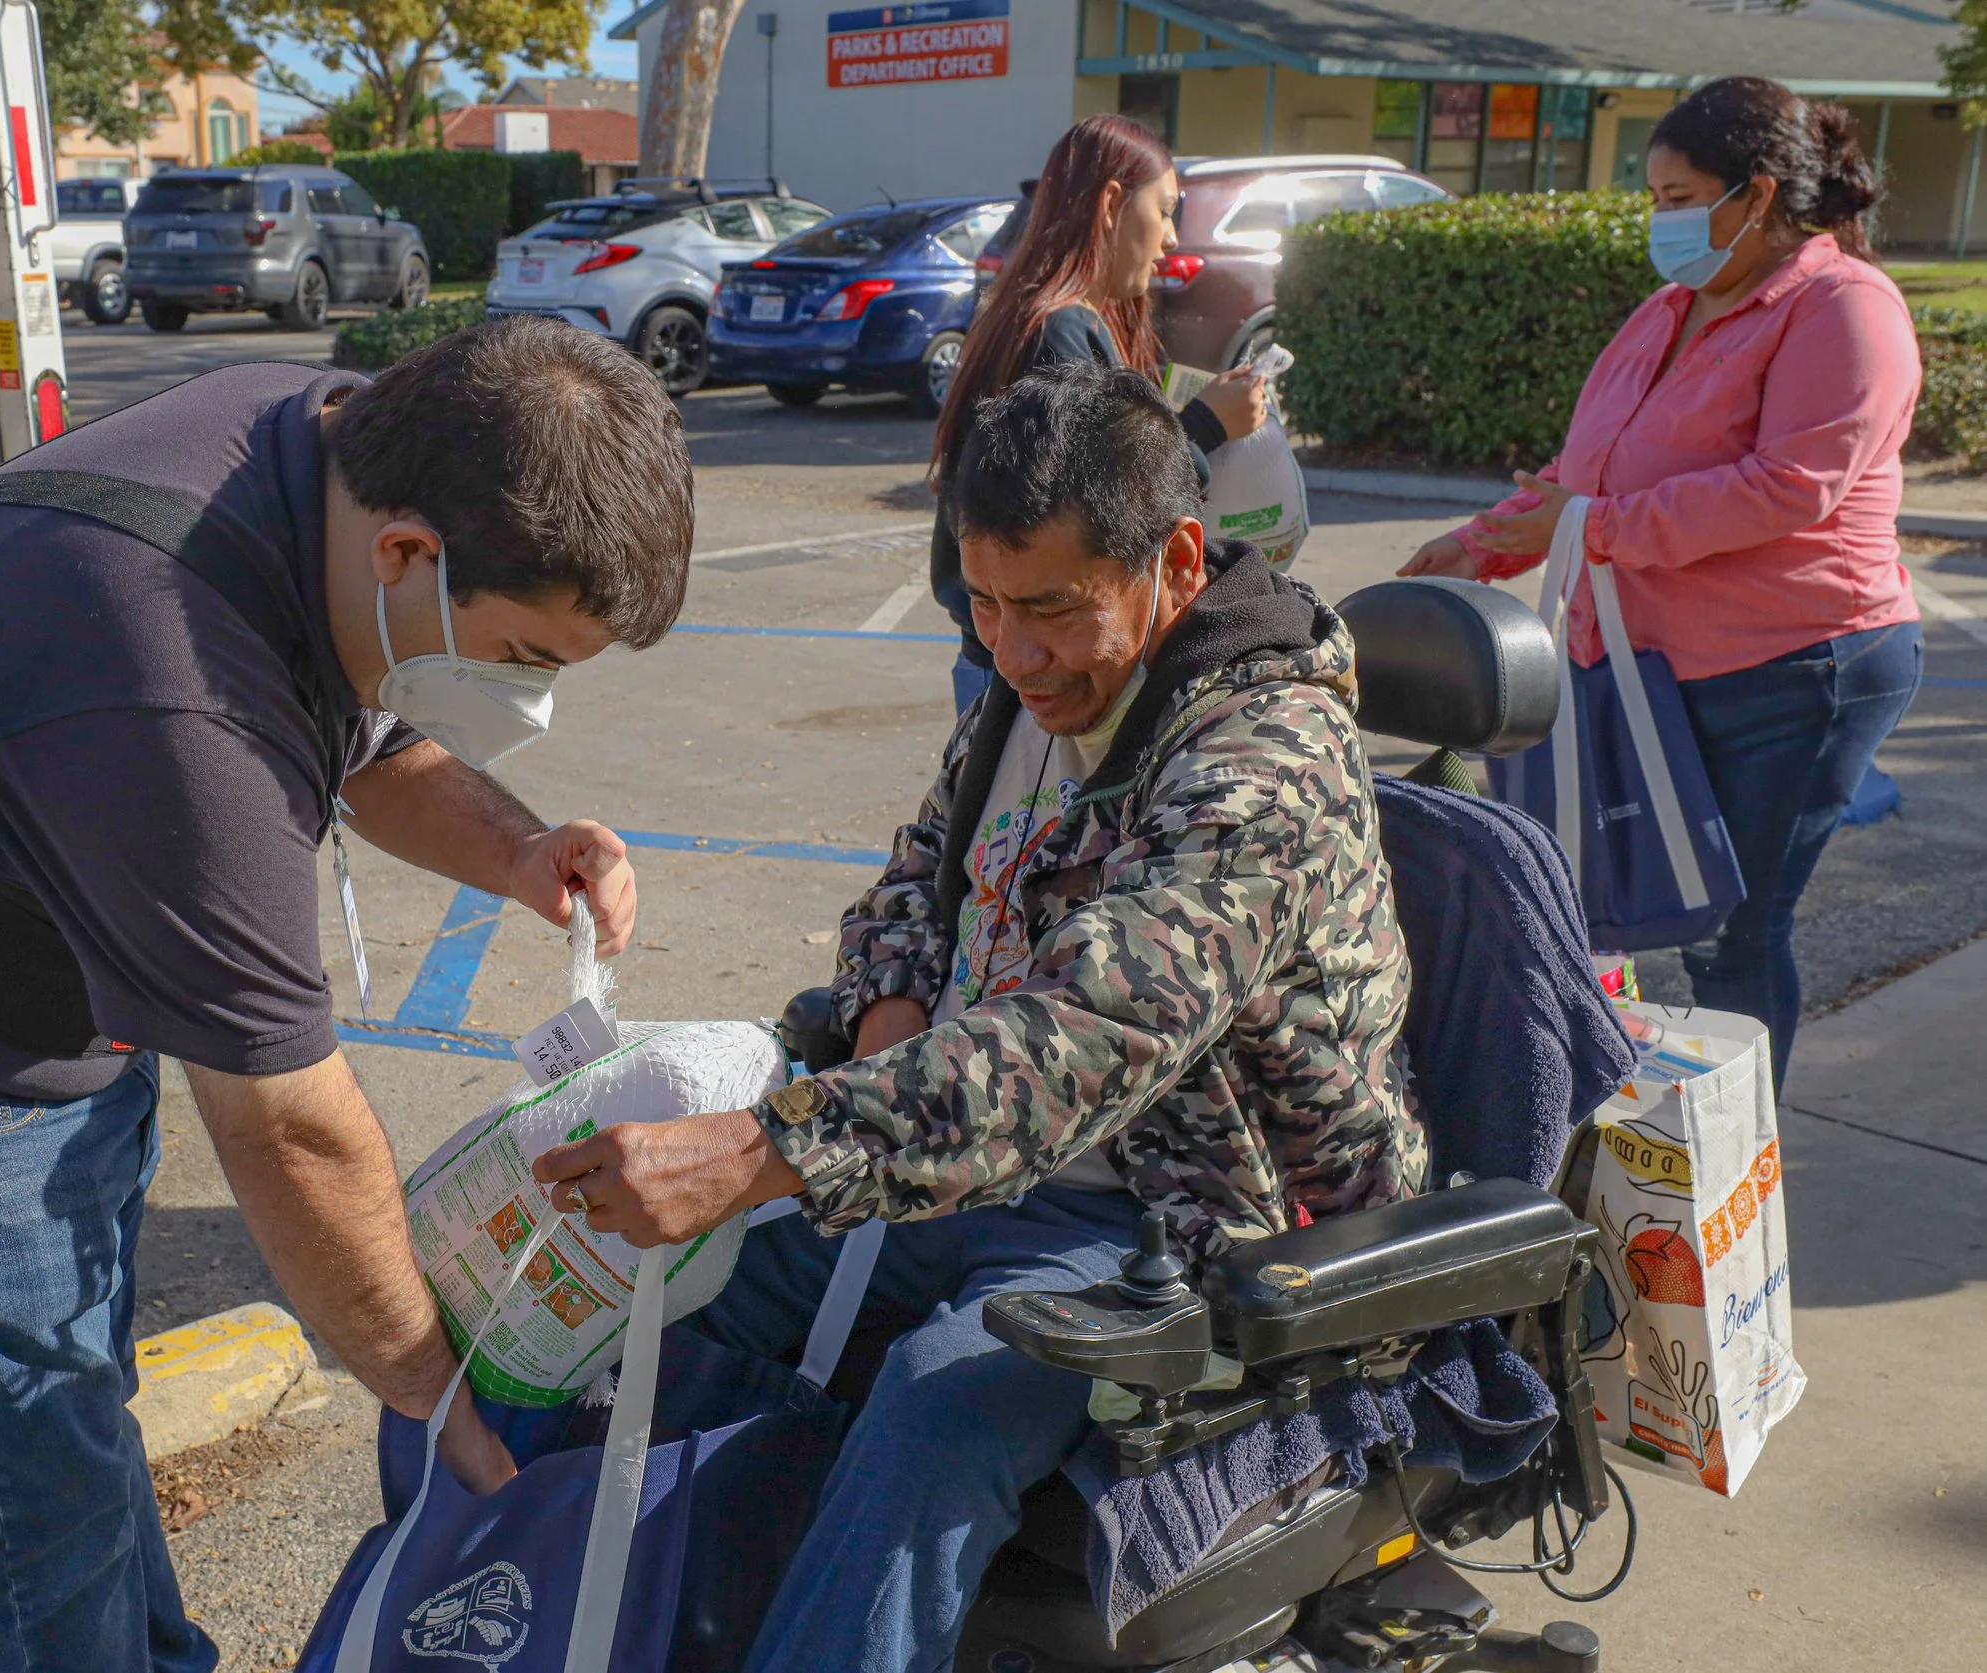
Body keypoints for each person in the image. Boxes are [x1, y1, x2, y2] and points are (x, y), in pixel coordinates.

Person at [0, 319, 692, 1673]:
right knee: (30, 1521)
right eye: (526, 660)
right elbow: (293, 1130)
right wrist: (443, 1412)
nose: (529, 700)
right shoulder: (169, 698)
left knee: (73, 1431)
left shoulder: (330, 450)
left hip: (26, 980)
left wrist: (511, 846)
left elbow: (364, 721)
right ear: (410, 557)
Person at [533, 361, 1428, 1673]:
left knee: (933, 1414)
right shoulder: (1035, 693)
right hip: (959, 1162)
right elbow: (912, 889)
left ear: (1177, 559)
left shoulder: (1264, 756)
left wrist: (777, 1147)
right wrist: (893, 1014)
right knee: (680, 1310)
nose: (1012, 652)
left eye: (1051, 610)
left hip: (1177, 1214)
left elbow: (1091, 1031)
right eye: (988, 608)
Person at [1402, 75, 1923, 1089]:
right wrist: (1483, 544)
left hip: (1800, 662)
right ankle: (1657, 1131)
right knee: (1642, 903)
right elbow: (1586, 476)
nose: (1661, 219)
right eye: (1655, 196)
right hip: (1658, 661)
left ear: (1758, 194)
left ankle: (1734, 1165)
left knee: (1731, 925)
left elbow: (1790, 488)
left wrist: (1593, 527)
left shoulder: (1843, 306)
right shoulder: (1670, 309)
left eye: (1679, 196)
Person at [931, 114, 1272, 712]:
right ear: (1113, 202)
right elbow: (1099, 500)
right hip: (1033, 674)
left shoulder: (1043, 316)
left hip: (1008, 666)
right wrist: (1209, 424)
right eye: (1165, 209)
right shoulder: (1058, 331)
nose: (1170, 238)